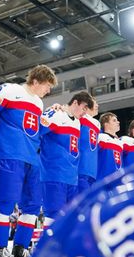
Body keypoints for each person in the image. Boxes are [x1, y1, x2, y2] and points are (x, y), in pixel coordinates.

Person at [0, 65, 56, 257]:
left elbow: (41, 128)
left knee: (33, 206)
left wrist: (55, 112)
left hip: (32, 159)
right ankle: (1, 251)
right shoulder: (9, 90)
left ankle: (20, 250)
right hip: (9, 155)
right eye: (47, 86)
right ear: (36, 81)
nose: (48, 91)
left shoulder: (38, 102)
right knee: (6, 202)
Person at [40, 92, 95, 230]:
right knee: (53, 214)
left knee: (70, 216)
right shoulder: (57, 114)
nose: (84, 113)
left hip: (71, 177)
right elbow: (36, 133)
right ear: (75, 102)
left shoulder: (77, 122)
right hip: (54, 174)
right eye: (83, 108)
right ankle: (48, 249)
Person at [77, 101, 100, 194]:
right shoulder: (80, 117)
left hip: (93, 171)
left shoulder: (97, 123)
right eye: (95, 103)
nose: (98, 105)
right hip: (81, 167)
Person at [97, 112, 122, 180]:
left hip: (118, 180)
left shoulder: (120, 142)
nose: (118, 122)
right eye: (114, 120)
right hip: (103, 180)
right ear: (106, 124)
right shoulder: (100, 137)